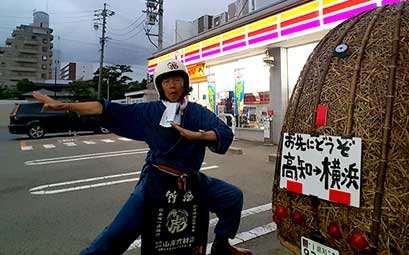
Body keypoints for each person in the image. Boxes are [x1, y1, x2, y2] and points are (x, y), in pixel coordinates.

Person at [33, 59, 252, 255]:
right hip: (157, 180)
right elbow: (106, 108)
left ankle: (221, 245)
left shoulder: (198, 112)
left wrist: (199, 135)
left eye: (177, 79)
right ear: (160, 86)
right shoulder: (149, 112)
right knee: (115, 236)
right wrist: (65, 105)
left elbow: (224, 132)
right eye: (167, 82)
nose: (173, 85)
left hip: (190, 180)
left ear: (185, 83)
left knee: (232, 197)